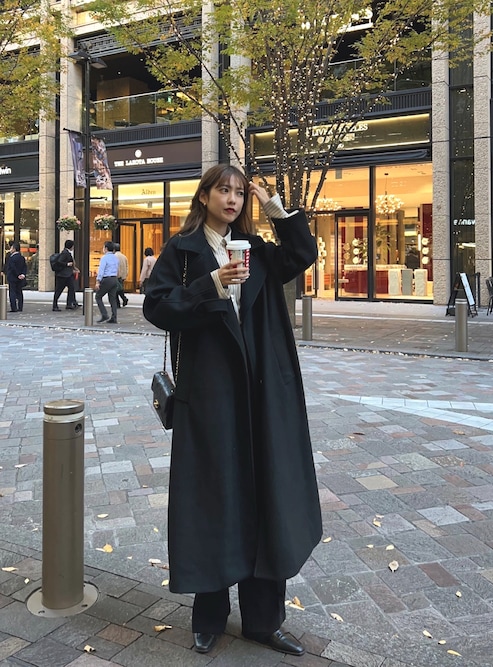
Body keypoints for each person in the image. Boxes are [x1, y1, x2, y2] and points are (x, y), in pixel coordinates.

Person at [143, 165, 322, 657]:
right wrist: (212, 283)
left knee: (266, 495)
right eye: (223, 190)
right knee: (214, 498)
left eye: (240, 193)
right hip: (211, 394)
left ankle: (264, 621)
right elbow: (157, 307)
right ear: (204, 196)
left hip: (264, 391)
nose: (233, 199)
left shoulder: (258, 250)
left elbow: (302, 254)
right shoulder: (182, 252)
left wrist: (274, 208)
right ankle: (210, 617)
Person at [95, 240, 119, 323]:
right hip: (114, 278)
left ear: (106, 248)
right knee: (112, 299)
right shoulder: (115, 258)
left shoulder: (104, 258)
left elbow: (101, 270)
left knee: (98, 296)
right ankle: (114, 317)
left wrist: (98, 281)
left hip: (107, 279)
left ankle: (104, 314)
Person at [52, 240, 79, 311]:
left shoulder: (67, 252)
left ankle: (70, 304)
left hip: (67, 275)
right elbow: (59, 261)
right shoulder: (65, 253)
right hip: (63, 276)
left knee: (71, 288)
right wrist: (67, 264)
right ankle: (55, 305)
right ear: (71, 246)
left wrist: (74, 269)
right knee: (59, 290)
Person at [6, 241, 27, 313]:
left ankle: (14, 307)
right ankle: (20, 307)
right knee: (19, 292)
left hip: (12, 277)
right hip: (20, 278)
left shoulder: (12, 258)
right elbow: (25, 267)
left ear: (14, 249)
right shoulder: (22, 257)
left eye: (11, 248)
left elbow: (12, 268)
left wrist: (17, 274)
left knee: (12, 292)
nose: (10, 249)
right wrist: (22, 274)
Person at [114, 243, 129, 307]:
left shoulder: (114, 256)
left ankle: (118, 303)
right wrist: (125, 274)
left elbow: (115, 267)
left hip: (117, 275)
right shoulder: (124, 256)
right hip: (122, 276)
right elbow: (127, 266)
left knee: (115, 290)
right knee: (120, 289)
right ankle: (124, 299)